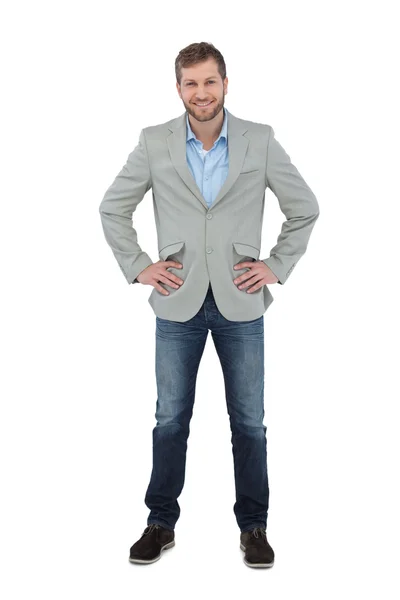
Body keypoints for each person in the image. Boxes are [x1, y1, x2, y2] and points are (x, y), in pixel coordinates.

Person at [99, 41, 320, 568]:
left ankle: (254, 526)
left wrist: (276, 265)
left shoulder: (258, 140)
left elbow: (304, 208)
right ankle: (160, 523)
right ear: (179, 88)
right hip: (177, 300)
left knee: (249, 422)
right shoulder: (154, 142)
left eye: (210, 81)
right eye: (191, 83)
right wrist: (139, 266)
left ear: (226, 83)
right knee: (170, 419)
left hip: (242, 301)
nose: (202, 92)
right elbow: (112, 208)